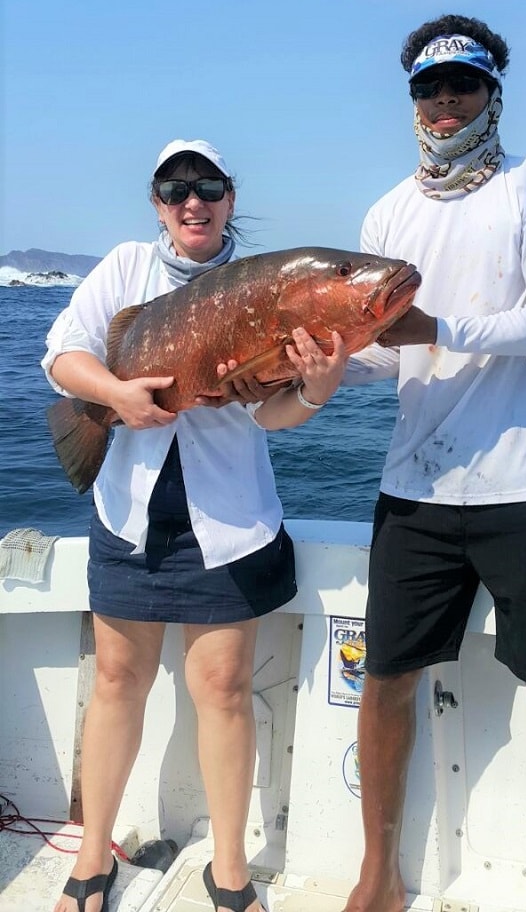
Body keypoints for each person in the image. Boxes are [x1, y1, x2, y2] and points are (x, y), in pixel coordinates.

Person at [43, 138, 347, 912]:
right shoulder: (123, 269)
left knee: (222, 687)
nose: (192, 202)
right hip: (131, 511)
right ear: (156, 204)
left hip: (228, 518)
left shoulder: (269, 286)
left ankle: (231, 869)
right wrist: (114, 395)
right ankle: (91, 855)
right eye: (175, 189)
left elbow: (272, 417)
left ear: (230, 199)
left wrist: (317, 388)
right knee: (116, 681)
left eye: (208, 187)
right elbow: (60, 358)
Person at [341, 15, 526, 912]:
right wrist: (327, 365)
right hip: (413, 489)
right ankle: (377, 876)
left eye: (462, 83)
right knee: (385, 681)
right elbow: (386, 353)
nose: (444, 100)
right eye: (427, 87)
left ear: (495, 91)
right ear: (411, 99)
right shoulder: (387, 211)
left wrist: (442, 327)